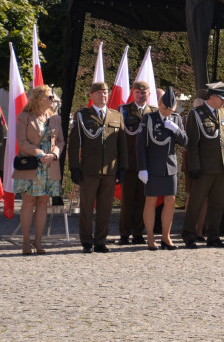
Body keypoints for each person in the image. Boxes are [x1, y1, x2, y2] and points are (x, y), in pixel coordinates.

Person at [67, 82, 128, 253]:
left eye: (105, 93)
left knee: (105, 208)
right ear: (91, 95)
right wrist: (74, 168)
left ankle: (100, 241)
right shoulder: (83, 116)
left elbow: (122, 144)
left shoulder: (116, 116)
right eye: (99, 93)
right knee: (86, 207)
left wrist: (123, 167)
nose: (103, 95)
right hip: (89, 170)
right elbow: (74, 145)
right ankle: (87, 241)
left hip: (110, 170)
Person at [182, 82, 224, 248]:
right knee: (196, 203)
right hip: (204, 168)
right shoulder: (196, 114)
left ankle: (213, 236)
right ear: (212, 97)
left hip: (222, 167)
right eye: (222, 98)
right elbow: (192, 144)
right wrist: (194, 166)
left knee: (217, 204)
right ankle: (189, 235)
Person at [13, 85, 64, 255]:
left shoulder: (55, 118)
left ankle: (38, 242)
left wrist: (54, 155)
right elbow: (22, 142)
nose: (53, 100)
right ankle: (26, 242)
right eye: (49, 97)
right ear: (38, 99)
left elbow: (61, 141)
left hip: (50, 166)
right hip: (31, 166)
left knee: (43, 203)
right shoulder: (24, 117)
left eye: (52, 97)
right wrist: (41, 153)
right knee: (29, 202)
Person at [137, 87, 188, 250]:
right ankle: (151, 237)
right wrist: (142, 168)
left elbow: (186, 142)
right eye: (165, 109)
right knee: (151, 200)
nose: (168, 112)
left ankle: (166, 236)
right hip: (152, 167)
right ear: (159, 104)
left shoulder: (176, 118)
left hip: (170, 167)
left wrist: (176, 129)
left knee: (170, 201)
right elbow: (140, 145)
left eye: (171, 109)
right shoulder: (149, 118)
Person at [118, 81, 155, 245]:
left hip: (146, 163)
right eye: (138, 93)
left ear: (149, 94)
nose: (141, 95)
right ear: (133, 93)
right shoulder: (123, 110)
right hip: (129, 162)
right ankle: (124, 234)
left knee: (143, 200)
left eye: (144, 92)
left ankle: (139, 233)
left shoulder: (153, 112)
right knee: (127, 201)